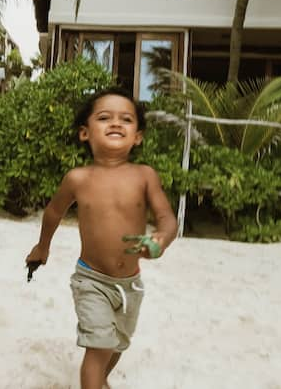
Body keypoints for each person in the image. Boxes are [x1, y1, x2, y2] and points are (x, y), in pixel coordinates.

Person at [25, 87, 177, 389]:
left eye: (126, 119)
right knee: (98, 349)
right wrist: (42, 247)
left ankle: (100, 382)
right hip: (91, 281)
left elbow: (167, 218)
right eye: (105, 117)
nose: (116, 123)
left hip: (130, 285)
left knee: (117, 345)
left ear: (138, 136)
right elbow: (53, 212)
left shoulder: (145, 176)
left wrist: (161, 239)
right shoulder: (78, 178)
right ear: (85, 133)